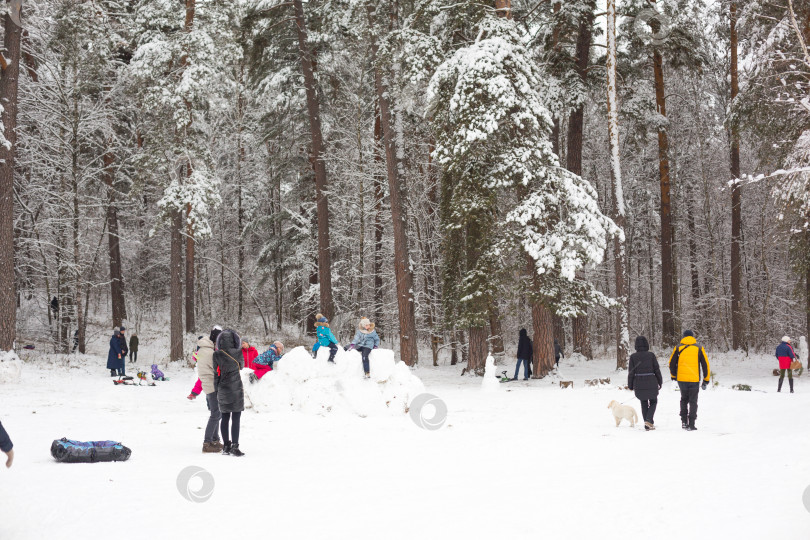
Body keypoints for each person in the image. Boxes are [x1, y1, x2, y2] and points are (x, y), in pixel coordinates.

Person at [668, 330, 711, 431]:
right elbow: (706, 365)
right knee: (693, 401)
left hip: (681, 379)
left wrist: (673, 375)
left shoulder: (678, 347)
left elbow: (671, 363)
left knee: (683, 399)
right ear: (693, 337)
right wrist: (706, 379)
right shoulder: (699, 348)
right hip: (694, 379)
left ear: (683, 337)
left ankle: (683, 421)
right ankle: (691, 424)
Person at [213, 328, 245, 457]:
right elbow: (241, 366)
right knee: (236, 418)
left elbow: (215, 373)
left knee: (225, 417)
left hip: (223, 387)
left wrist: (216, 389)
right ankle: (235, 445)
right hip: (236, 387)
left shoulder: (216, 354)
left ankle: (226, 445)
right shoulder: (238, 352)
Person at [628, 336, 662, 431]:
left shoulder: (633, 357)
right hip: (651, 381)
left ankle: (648, 422)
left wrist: (630, 385)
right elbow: (657, 370)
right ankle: (648, 420)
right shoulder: (651, 355)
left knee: (643, 402)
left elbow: (631, 372)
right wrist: (660, 381)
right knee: (653, 401)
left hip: (639, 383)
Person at [199, 326, 223, 453]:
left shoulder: (205, 349)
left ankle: (215, 439)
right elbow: (216, 368)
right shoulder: (209, 353)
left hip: (208, 384)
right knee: (215, 414)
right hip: (211, 384)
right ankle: (207, 442)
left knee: (217, 413)